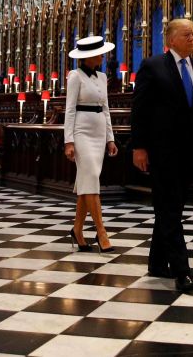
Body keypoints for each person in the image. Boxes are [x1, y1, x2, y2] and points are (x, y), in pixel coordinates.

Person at [131, 19, 193, 293]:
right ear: (170, 40)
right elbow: (140, 110)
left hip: (190, 152)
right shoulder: (153, 66)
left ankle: (157, 263)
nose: (192, 38)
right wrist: (139, 147)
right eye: (186, 34)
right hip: (162, 151)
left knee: (171, 209)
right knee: (169, 210)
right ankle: (182, 272)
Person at [64, 36, 119, 253]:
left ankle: (77, 230)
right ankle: (101, 232)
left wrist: (110, 138)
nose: (103, 56)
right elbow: (69, 109)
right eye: (99, 53)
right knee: (92, 179)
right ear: (89, 57)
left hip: (98, 132)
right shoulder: (75, 76)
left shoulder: (103, 77)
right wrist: (68, 140)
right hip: (81, 132)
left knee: (87, 182)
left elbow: (105, 109)